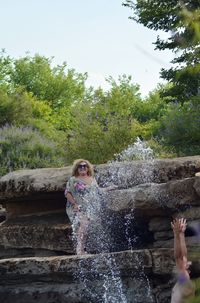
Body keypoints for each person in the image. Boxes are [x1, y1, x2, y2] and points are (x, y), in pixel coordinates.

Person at [64, 159, 100, 255]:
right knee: (83, 225)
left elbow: (98, 191)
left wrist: (109, 189)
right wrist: (75, 204)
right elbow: (67, 193)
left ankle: (82, 249)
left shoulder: (92, 179)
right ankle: (79, 249)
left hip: (89, 208)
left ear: (88, 168)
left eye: (85, 166)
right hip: (77, 207)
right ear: (77, 168)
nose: (82, 168)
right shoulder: (73, 179)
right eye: (80, 166)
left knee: (85, 228)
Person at [171, 218, 195, 303]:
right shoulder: (185, 283)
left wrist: (176, 234)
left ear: (187, 270)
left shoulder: (185, 281)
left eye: (186, 263)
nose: (185, 261)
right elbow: (183, 256)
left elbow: (179, 257)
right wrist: (181, 235)